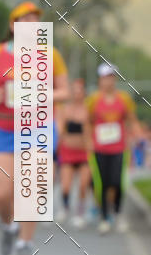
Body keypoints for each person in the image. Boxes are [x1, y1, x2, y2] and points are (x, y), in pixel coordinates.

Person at [0, 2, 69, 255]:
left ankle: (25, 241)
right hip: (3, 128)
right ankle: (8, 225)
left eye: (35, 20)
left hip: (37, 127)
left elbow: (64, 91)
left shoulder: (50, 54)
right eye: (25, 20)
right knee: (1, 194)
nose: (32, 24)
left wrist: (43, 94)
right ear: (13, 26)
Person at [85, 63, 138, 234]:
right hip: (99, 149)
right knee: (102, 183)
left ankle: (117, 212)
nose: (109, 81)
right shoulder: (93, 100)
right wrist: (89, 141)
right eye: (106, 77)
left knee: (118, 182)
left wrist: (134, 137)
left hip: (119, 148)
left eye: (112, 77)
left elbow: (131, 120)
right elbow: (88, 122)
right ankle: (104, 217)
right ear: (100, 80)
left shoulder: (124, 98)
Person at [56, 78, 90, 228]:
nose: (77, 94)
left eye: (79, 90)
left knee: (83, 185)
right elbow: (60, 131)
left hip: (84, 153)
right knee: (66, 186)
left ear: (84, 92)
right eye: (74, 91)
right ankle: (65, 208)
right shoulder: (64, 110)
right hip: (68, 152)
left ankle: (80, 212)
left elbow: (91, 130)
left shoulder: (88, 110)